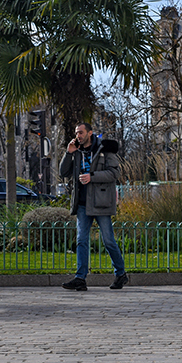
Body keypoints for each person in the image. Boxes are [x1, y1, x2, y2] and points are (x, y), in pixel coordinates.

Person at [58, 121, 128, 291]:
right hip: (82, 203)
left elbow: (115, 173)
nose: (78, 136)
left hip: (100, 202)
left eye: (81, 132)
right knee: (81, 240)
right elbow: (63, 172)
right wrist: (68, 153)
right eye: (76, 133)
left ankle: (121, 274)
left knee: (108, 240)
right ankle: (80, 278)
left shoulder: (104, 149)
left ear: (90, 133)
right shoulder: (76, 151)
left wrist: (92, 176)